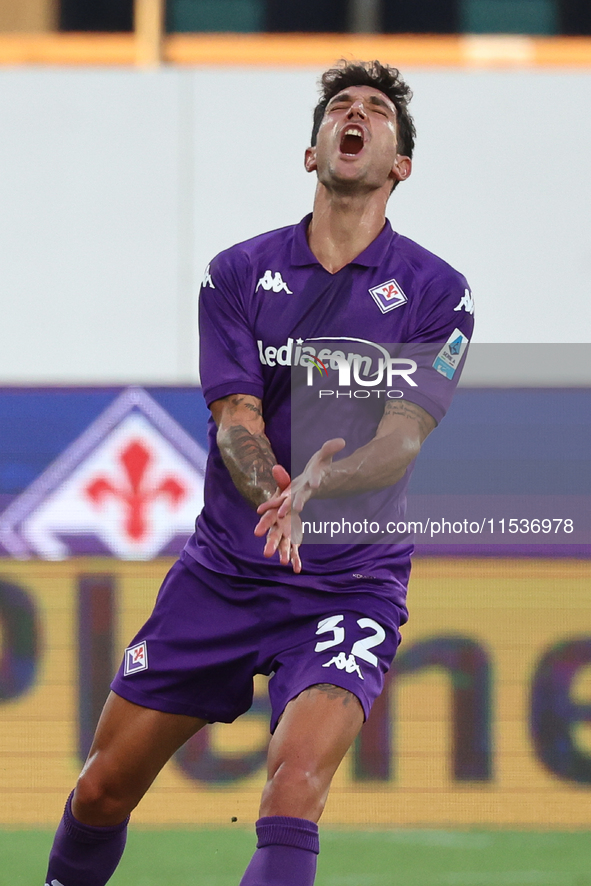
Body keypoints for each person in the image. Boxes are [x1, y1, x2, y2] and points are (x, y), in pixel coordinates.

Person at [44, 59, 474, 886]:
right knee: (101, 791)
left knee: (292, 787)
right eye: (339, 107)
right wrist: (275, 488)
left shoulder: (436, 292)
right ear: (311, 153)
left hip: (349, 582)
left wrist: (319, 486)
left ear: (399, 164)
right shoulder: (238, 273)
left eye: (376, 110)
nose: (355, 115)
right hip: (226, 573)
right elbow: (234, 418)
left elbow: (401, 437)